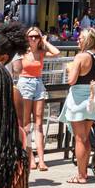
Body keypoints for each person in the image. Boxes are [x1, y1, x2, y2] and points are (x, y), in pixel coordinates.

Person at [59, 28, 95, 184]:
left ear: (87, 40)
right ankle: (84, 173)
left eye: (80, 38)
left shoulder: (80, 57)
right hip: (92, 97)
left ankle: (81, 174)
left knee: (80, 138)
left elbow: (71, 80)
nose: (77, 40)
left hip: (78, 98)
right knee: (85, 138)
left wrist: (69, 68)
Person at [15, 27, 59, 172]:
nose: (33, 39)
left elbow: (56, 53)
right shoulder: (22, 53)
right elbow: (16, 69)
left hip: (38, 83)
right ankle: (30, 157)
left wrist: (45, 41)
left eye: (36, 36)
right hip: (25, 82)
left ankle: (41, 159)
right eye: (31, 36)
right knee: (26, 123)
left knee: (39, 122)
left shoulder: (41, 52)